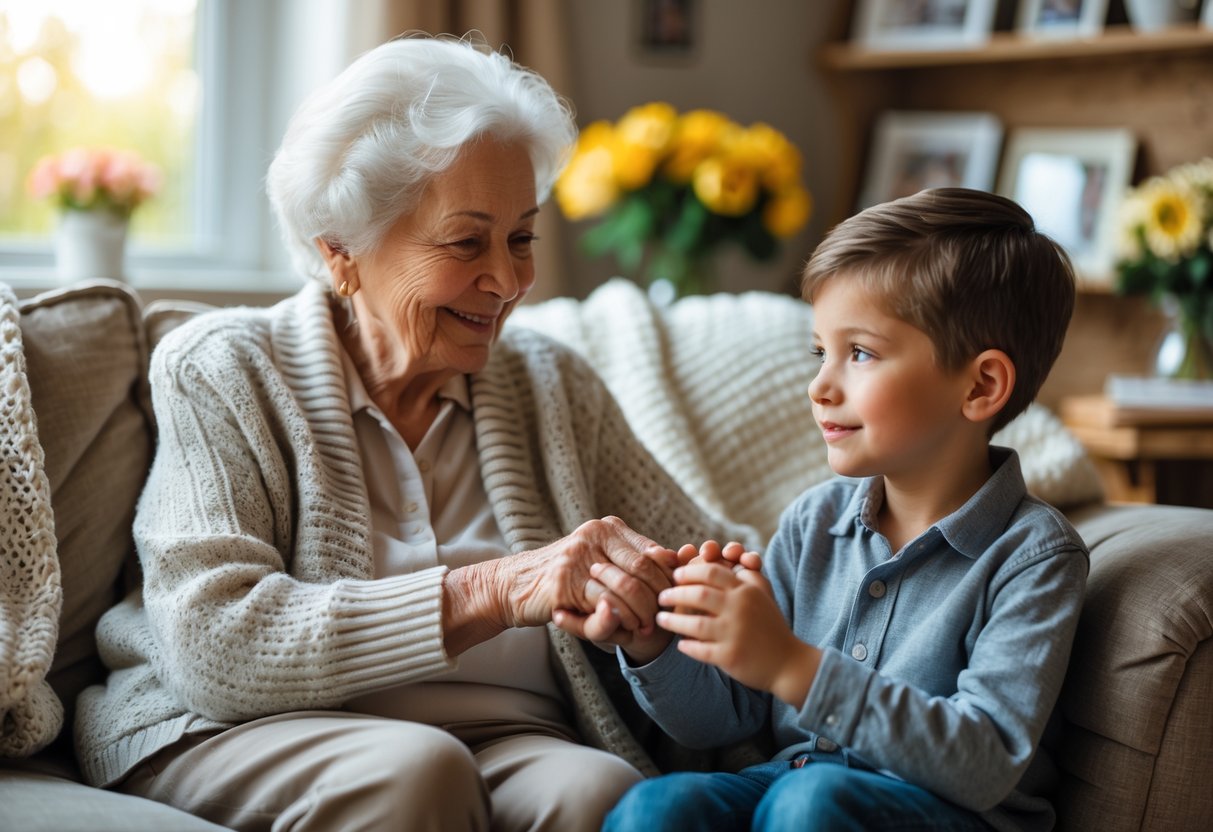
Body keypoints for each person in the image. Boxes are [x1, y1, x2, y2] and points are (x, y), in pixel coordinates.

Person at [73, 34, 756, 832]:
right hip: (244, 730)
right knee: (416, 772)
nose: (506, 281)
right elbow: (213, 646)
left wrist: (653, 612)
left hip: (509, 734)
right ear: (342, 252)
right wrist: (497, 588)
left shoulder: (550, 381)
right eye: (466, 241)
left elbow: (708, 565)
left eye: (522, 236)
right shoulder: (226, 368)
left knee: (600, 793)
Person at [588, 188, 1091, 832]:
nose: (819, 386)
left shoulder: (1035, 557)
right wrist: (662, 642)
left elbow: (986, 760)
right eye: (818, 352)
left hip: (945, 814)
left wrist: (795, 666)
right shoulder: (812, 523)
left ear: (980, 385)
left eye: (860, 353)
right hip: (790, 788)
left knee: (811, 804)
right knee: (662, 805)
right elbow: (725, 719)